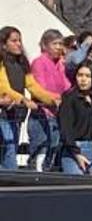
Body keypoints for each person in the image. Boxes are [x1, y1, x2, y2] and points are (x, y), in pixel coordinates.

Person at [0, 26, 62, 169]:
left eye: (20, 40)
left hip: (16, 115)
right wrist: (23, 100)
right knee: (9, 151)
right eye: (14, 41)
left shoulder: (22, 63)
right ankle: (11, 184)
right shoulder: (2, 63)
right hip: (4, 113)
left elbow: (33, 86)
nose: (19, 44)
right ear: (4, 44)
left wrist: (53, 99)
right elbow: (3, 86)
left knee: (10, 149)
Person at [28, 29, 70, 171]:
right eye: (55, 43)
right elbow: (40, 87)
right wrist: (55, 99)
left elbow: (66, 86)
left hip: (57, 114)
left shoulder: (60, 65)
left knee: (52, 150)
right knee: (41, 149)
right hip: (42, 114)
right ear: (45, 45)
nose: (59, 47)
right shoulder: (39, 62)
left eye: (61, 44)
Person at [59, 62, 92, 175]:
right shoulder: (69, 98)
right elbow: (65, 129)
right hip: (74, 151)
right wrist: (77, 154)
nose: (83, 80)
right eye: (80, 75)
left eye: (87, 76)